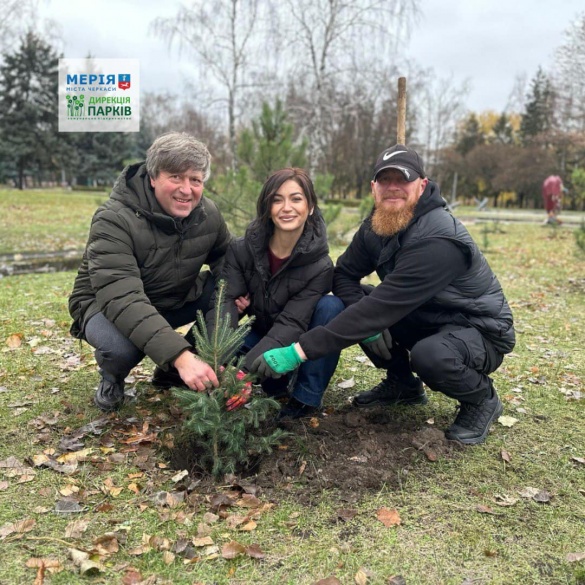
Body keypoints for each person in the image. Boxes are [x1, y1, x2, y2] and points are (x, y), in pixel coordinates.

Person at [251, 145, 516, 444]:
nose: (393, 188)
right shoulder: (379, 223)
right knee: (359, 304)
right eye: (384, 180)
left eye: (402, 180)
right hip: (424, 316)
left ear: (422, 185)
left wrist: (298, 351)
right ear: (373, 187)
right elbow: (345, 274)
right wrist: (371, 328)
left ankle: (482, 399)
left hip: (478, 330)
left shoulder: (439, 238)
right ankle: (403, 384)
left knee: (428, 354)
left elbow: (380, 308)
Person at [68, 132, 232, 411]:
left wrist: (234, 299)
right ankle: (113, 376)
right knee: (122, 347)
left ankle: (170, 373)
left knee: (229, 291)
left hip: (173, 296)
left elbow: (227, 262)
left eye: (195, 179)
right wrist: (180, 355)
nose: (186, 189)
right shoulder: (114, 218)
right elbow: (122, 298)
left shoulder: (208, 214)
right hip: (105, 305)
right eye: (176, 177)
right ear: (153, 177)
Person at [208, 167, 344, 419]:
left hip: (292, 346)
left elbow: (293, 321)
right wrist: (220, 356)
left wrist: (244, 372)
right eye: (277, 199)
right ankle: (260, 380)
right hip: (257, 333)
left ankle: (305, 397)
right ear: (267, 207)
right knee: (217, 329)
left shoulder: (320, 265)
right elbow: (225, 299)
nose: (286, 207)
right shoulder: (241, 248)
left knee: (331, 307)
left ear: (310, 207)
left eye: (296, 198)